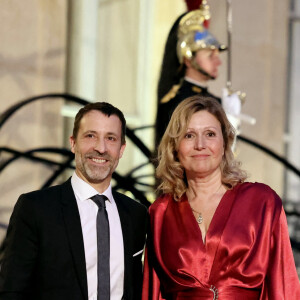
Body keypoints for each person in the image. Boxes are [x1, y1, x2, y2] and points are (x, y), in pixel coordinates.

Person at [143, 96, 300, 299]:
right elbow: (153, 293)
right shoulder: (160, 212)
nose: (200, 145)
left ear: (225, 143)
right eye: (189, 135)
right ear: (174, 146)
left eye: (210, 134)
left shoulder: (261, 202)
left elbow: (283, 286)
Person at [0, 102, 148, 300]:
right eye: (90, 136)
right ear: (73, 143)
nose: (101, 148)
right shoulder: (36, 209)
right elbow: (12, 291)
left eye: (110, 138)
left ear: (121, 149)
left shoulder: (136, 214)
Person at [155, 1, 227, 147]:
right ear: (188, 60)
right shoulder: (177, 101)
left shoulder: (214, 100)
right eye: (209, 56)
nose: (218, 62)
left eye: (216, 55)